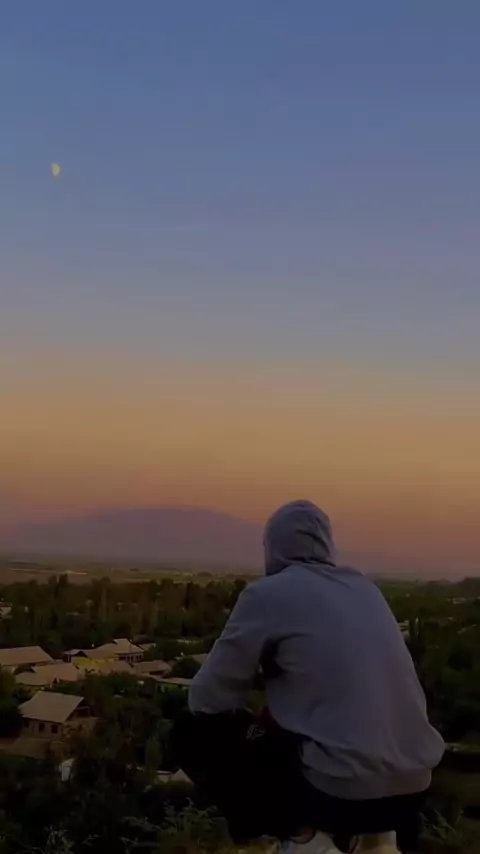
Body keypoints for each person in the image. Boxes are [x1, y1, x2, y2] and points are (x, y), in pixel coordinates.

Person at [184, 500, 445, 851]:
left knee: (190, 734)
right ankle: (374, 839)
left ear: (272, 546)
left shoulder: (267, 594)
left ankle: (302, 838)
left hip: (339, 796)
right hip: (412, 793)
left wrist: (260, 689)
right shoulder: (365, 589)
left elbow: (206, 699)